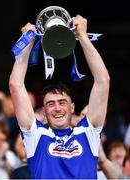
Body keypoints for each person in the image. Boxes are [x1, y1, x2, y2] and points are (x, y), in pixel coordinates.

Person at [9, 15, 110, 179]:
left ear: (72, 108)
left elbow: (103, 81)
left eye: (62, 102)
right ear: (44, 111)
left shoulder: (88, 132)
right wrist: (27, 44)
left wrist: (82, 37)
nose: (57, 108)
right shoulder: (35, 135)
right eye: (50, 104)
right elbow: (16, 85)